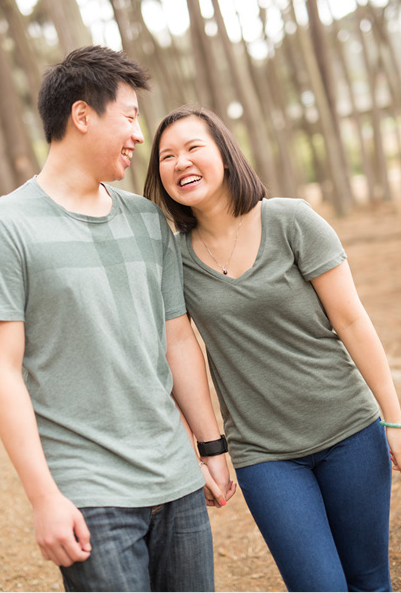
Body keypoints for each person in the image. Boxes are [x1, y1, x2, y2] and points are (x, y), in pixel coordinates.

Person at [0, 46, 235, 592]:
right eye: (130, 116)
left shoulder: (145, 219)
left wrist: (210, 448)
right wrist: (45, 498)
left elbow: (176, 339)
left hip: (176, 480)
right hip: (90, 493)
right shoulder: (4, 227)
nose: (140, 135)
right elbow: (2, 372)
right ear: (82, 115)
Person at [143, 105, 399, 592]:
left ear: (224, 153)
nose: (180, 162)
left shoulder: (291, 221)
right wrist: (204, 447)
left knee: (368, 579)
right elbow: (177, 349)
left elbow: (351, 321)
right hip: (264, 455)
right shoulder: (173, 258)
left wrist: (394, 418)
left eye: (194, 147)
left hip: (349, 430)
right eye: (166, 157)